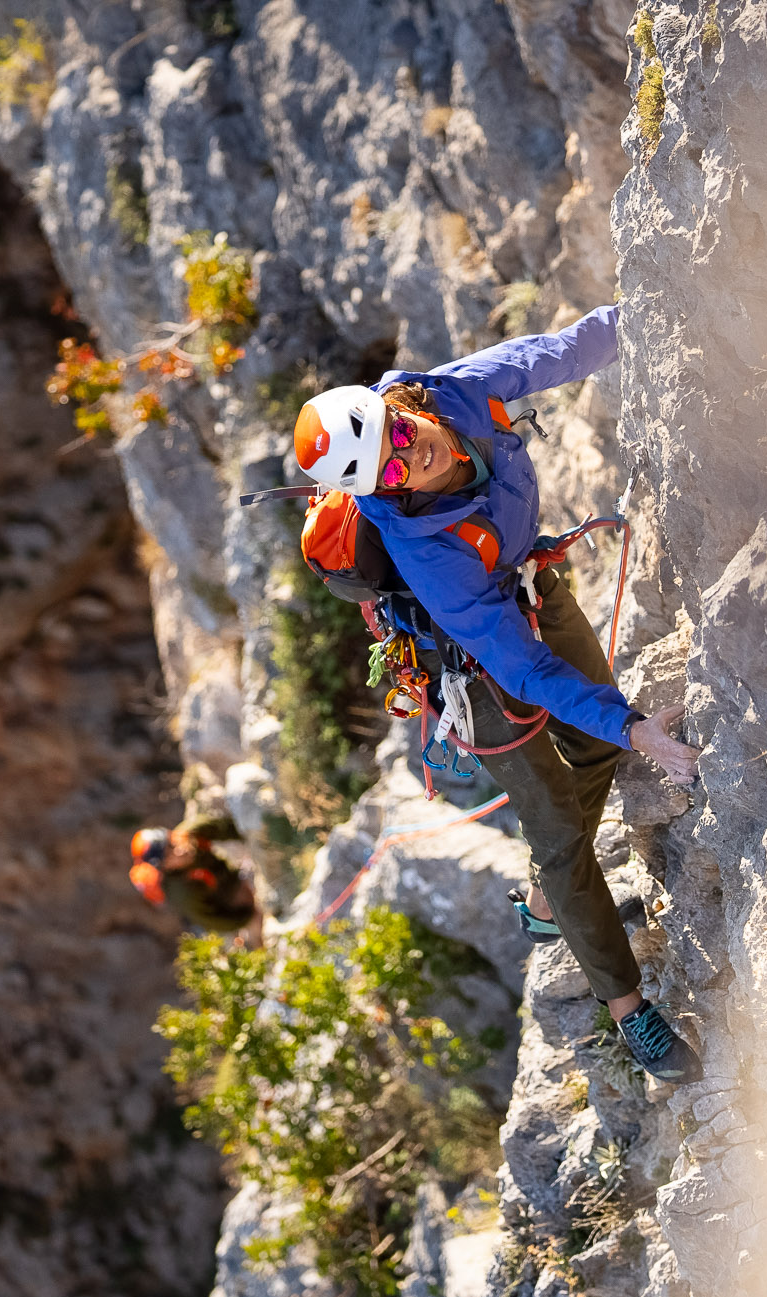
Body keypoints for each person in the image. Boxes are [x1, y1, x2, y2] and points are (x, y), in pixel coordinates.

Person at [290, 304, 703, 1083]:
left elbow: (562, 350)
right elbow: (523, 670)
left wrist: (659, 304)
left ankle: (549, 904)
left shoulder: (450, 393)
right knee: (557, 827)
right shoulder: (430, 555)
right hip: (471, 666)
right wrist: (638, 728)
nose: (410, 456)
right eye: (389, 471)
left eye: (399, 435)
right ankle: (627, 1009)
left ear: (398, 406)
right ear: (378, 490)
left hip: (526, 581)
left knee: (595, 751)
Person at [130, 819, 265, 948]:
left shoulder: (190, 833)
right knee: (255, 923)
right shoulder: (183, 890)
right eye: (169, 856)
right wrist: (249, 914)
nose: (178, 851)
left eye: (171, 844)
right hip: (222, 908)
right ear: (167, 868)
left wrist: (260, 834)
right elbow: (215, 920)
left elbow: (229, 827)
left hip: (230, 878)